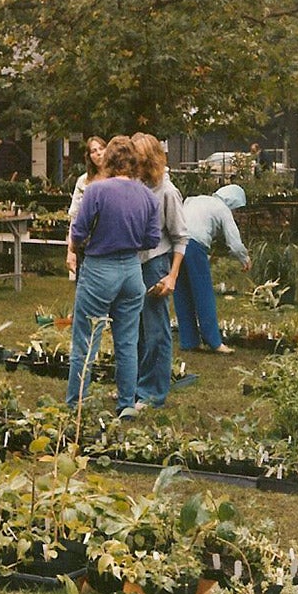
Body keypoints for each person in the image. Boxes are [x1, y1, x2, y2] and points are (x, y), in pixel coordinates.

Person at [65, 136, 160, 418]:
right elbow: (152, 239)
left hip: (99, 267)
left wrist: (83, 244)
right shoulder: (147, 195)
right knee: (128, 341)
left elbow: (79, 232)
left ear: (107, 160)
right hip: (131, 270)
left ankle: (76, 403)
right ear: (134, 162)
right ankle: (126, 404)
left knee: (86, 339)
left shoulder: (96, 190)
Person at [132, 133, 189, 409]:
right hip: (132, 263)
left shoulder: (167, 192)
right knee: (135, 329)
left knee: (155, 329)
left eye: (141, 162)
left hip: (156, 264)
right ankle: (136, 386)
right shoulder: (132, 186)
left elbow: (180, 237)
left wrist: (172, 275)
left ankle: (153, 393)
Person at [173, 184, 251, 355]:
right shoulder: (222, 209)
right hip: (195, 245)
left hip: (175, 244)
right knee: (204, 293)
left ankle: (189, 341)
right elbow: (234, 241)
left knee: (182, 292)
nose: (236, 212)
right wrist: (244, 258)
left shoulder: (195, 200)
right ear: (233, 201)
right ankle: (214, 342)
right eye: (237, 208)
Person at [66, 136, 108, 277]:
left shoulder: (117, 178)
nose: (98, 153)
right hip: (85, 244)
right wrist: (70, 250)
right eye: (93, 151)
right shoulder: (83, 181)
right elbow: (75, 216)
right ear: (89, 156)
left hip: (109, 245)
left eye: (101, 149)